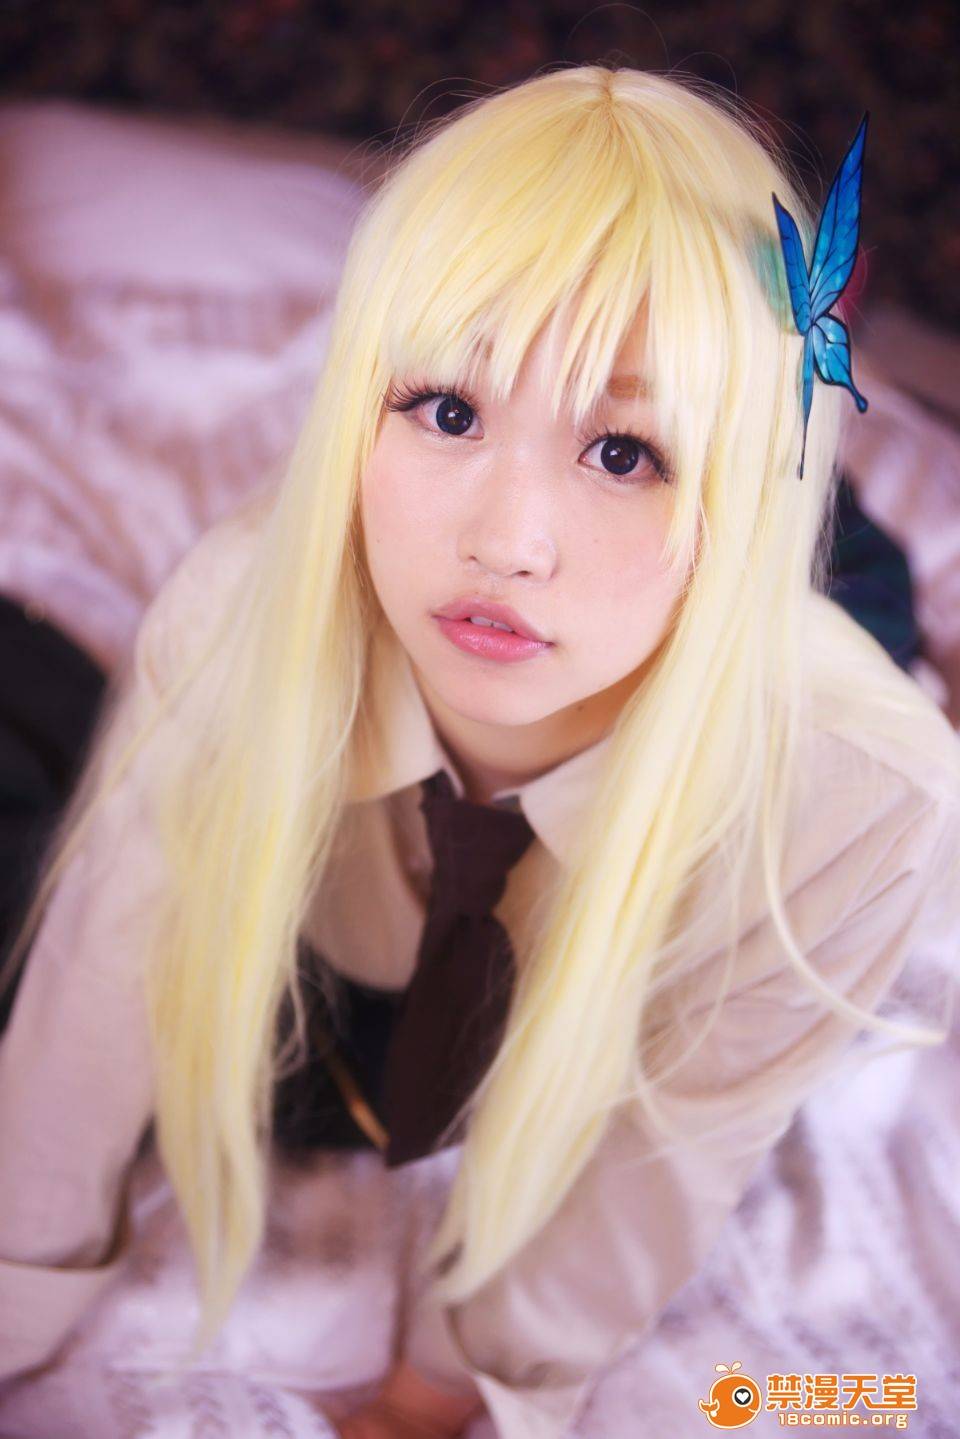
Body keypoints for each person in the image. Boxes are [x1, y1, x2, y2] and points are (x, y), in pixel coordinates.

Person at [1, 65, 958, 1439]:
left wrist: (444, 1389)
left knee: (849, 585)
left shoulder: (861, 800)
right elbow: (107, 969)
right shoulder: (236, 620)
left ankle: (787, 480)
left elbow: (668, 1152)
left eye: (623, 452)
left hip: (761, 630)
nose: (505, 541)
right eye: (448, 410)